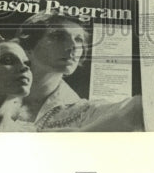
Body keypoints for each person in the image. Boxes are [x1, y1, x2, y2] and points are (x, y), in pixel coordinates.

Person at [15, 12, 144, 131]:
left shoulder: (86, 112)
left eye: (78, 40)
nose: (73, 46)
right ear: (28, 48)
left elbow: (137, 108)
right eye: (58, 36)